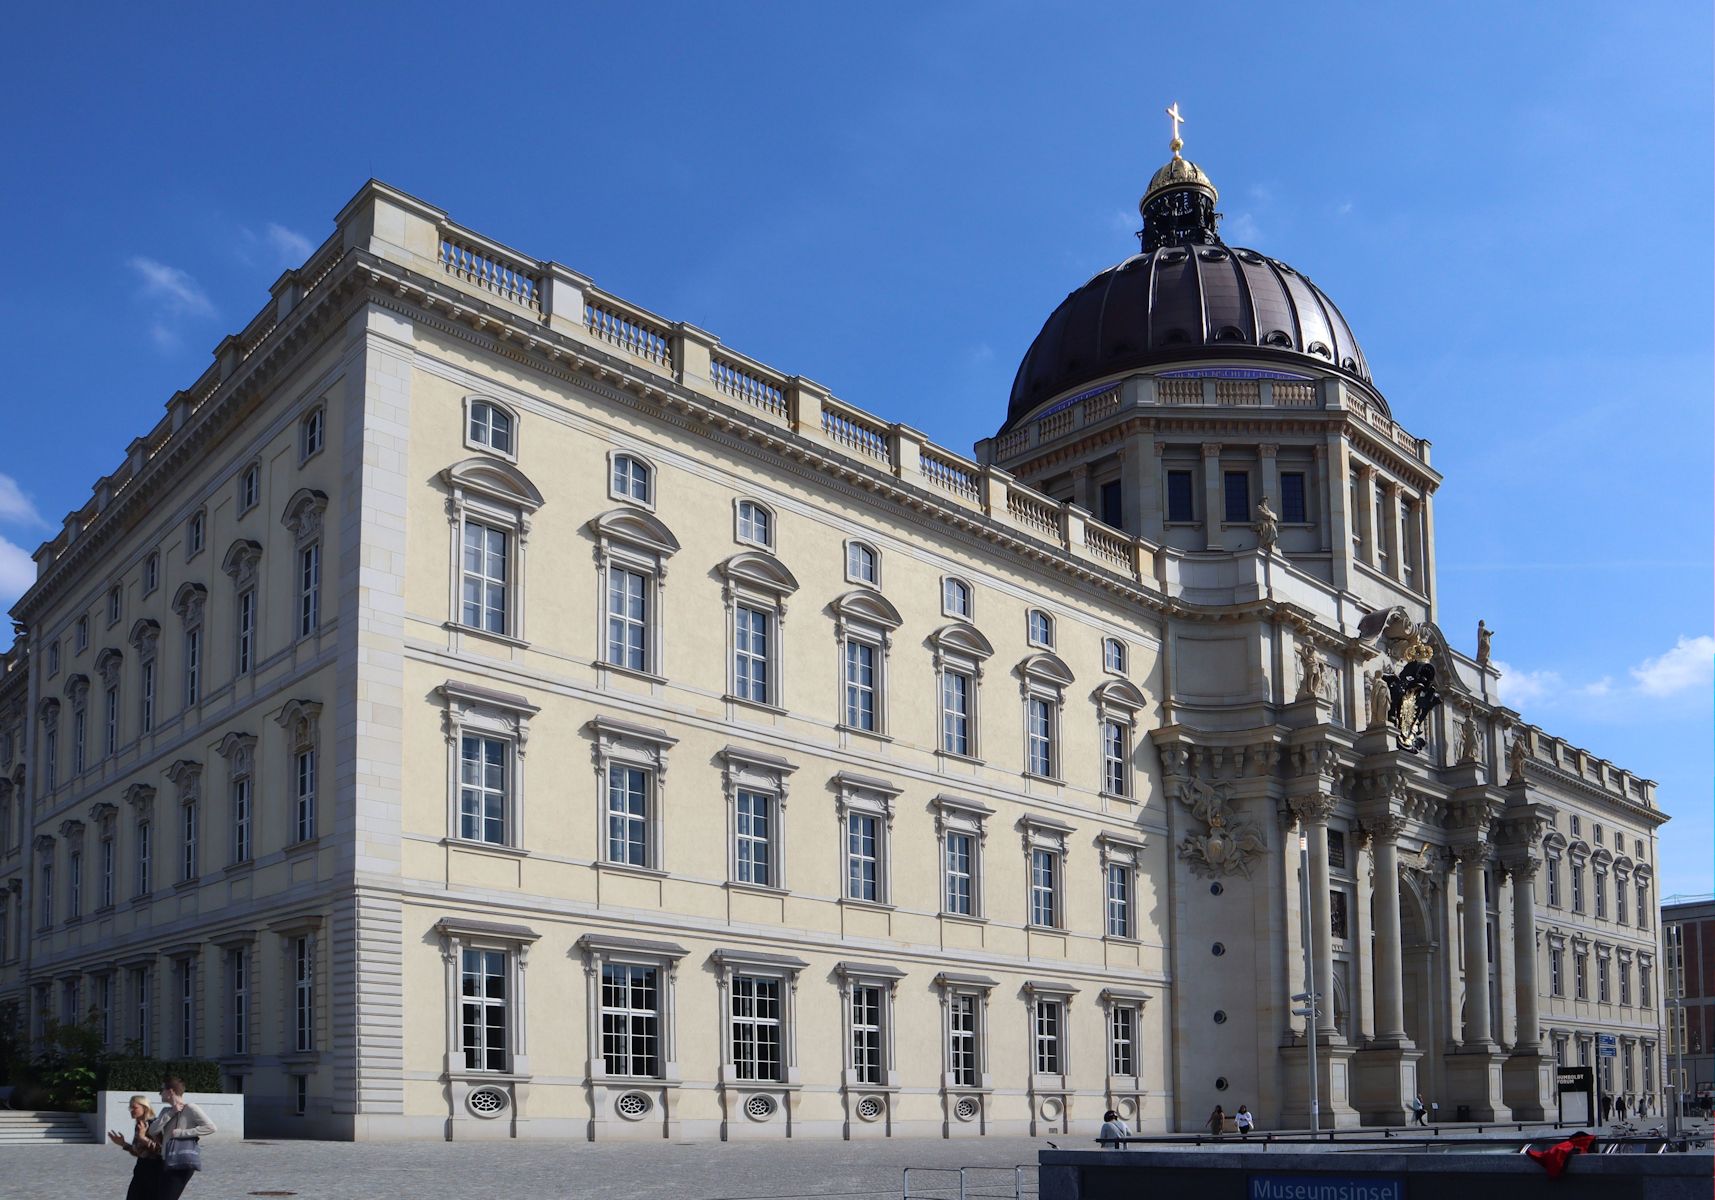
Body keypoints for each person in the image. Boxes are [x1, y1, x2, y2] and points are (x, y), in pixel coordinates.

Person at [147, 1076, 217, 1200]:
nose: (159, 1093)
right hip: (166, 1161)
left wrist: (182, 1133)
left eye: (161, 1090)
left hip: (182, 1162)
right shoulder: (165, 1111)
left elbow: (211, 1127)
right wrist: (171, 1112)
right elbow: (152, 1130)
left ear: (170, 1091)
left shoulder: (190, 1108)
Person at [107, 1094, 163, 1200]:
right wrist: (123, 1143)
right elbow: (139, 1152)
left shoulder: (154, 1124)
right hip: (141, 1169)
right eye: (130, 1107)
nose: (131, 1110)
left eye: (134, 1107)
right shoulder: (139, 1125)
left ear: (145, 1107)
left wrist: (143, 1138)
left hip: (154, 1170)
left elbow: (161, 1150)